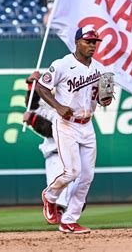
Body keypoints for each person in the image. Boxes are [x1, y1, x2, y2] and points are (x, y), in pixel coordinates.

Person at [37, 26, 111, 234]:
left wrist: (105, 99)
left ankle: (70, 220)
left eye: (95, 42)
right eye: (88, 41)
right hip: (66, 124)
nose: (92, 45)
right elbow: (41, 87)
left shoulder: (99, 68)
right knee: (72, 172)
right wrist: (58, 106)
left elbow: (101, 99)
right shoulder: (62, 64)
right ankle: (50, 196)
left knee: (86, 177)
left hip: (87, 125)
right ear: (77, 42)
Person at [22, 71, 75, 214]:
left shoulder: (69, 108)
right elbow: (32, 106)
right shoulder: (50, 106)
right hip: (51, 154)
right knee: (53, 189)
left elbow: (54, 131)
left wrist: (33, 120)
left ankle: (62, 210)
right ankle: (59, 210)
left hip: (65, 153)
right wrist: (31, 85)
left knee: (64, 193)